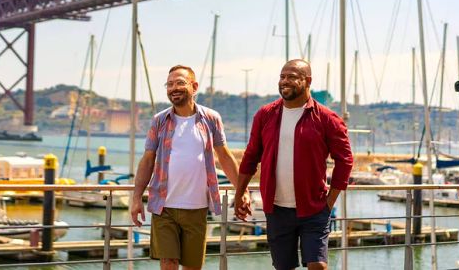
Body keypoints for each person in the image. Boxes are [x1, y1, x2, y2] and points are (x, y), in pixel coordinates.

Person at [234, 59, 353, 270]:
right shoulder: (265, 114)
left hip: (315, 208)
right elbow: (251, 156)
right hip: (276, 209)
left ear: (307, 81)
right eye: (282, 76)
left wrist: (329, 202)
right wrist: (239, 194)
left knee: (318, 265)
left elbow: (345, 160)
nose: (284, 81)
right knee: (283, 267)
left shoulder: (328, 119)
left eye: (292, 77)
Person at [130, 65, 245, 270]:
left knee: (192, 266)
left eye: (180, 83)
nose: (174, 88)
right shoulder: (159, 121)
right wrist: (136, 197)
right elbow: (148, 160)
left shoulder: (211, 118)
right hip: (164, 206)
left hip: (197, 207)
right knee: (168, 263)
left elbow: (225, 157)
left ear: (194, 86)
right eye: (170, 84)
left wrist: (241, 190)